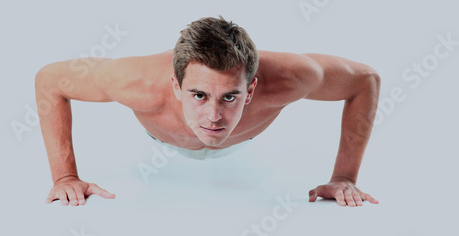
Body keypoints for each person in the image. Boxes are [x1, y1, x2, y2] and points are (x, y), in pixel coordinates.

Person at [36, 16, 380, 207]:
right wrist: (65, 176)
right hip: (160, 138)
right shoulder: (133, 81)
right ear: (175, 86)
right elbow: (50, 81)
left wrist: (344, 178)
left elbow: (365, 81)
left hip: (241, 145)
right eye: (198, 95)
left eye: (229, 97)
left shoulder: (291, 78)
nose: (213, 116)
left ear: (252, 90)